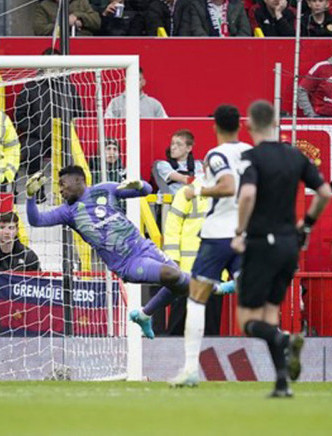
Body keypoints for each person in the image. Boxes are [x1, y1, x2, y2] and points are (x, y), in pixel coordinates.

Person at [25, 165, 232, 339]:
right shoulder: (68, 212)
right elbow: (37, 220)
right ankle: (215, 289)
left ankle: (144, 314)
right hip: (128, 264)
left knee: (177, 284)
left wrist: (140, 185)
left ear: (79, 180)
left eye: (63, 184)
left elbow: (147, 190)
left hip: (144, 246)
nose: (60, 190)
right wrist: (30, 197)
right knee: (173, 275)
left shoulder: (104, 189)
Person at [230, 100, 332, 397]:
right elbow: (325, 192)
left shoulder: (251, 157)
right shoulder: (295, 155)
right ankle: (282, 384)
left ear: (248, 125)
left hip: (262, 243)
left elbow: (248, 194)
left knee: (248, 321)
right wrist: (308, 225)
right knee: (270, 314)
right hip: (290, 244)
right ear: (276, 123)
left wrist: (239, 232)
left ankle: (285, 341)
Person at [170, 105, 250, 387]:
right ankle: (281, 342)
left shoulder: (217, 155)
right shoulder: (250, 153)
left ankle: (191, 367)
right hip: (243, 234)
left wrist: (199, 189)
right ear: (239, 126)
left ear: (216, 126)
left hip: (217, 237)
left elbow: (227, 185)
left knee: (196, 299)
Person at [163, 177, 225, 337]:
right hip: (188, 271)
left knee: (209, 326)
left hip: (212, 270)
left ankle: (206, 360)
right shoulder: (186, 192)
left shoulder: (227, 194)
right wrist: (172, 259)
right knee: (180, 323)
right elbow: (172, 227)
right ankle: (173, 358)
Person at [15, 48, 84, 179]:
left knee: (73, 152)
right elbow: (20, 116)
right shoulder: (30, 87)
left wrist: (68, 131)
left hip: (64, 136)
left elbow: (79, 113)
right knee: (32, 149)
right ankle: (37, 191)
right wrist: (38, 130)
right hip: (36, 136)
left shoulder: (68, 87)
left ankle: (69, 190)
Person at [154, 129, 203, 194]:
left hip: (193, 200)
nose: (173, 147)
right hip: (171, 202)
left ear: (188, 148)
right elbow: (183, 179)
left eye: (179, 145)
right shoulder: (162, 165)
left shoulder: (199, 165)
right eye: (172, 144)